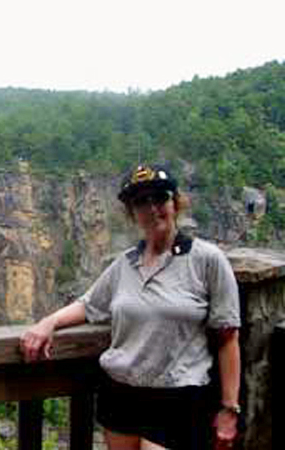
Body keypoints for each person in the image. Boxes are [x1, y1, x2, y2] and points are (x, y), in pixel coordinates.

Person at [20, 164, 241, 450]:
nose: (151, 208)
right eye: (140, 202)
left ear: (175, 203)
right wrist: (47, 322)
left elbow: (228, 337)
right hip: (121, 394)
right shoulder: (125, 263)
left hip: (177, 398)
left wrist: (229, 408)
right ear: (132, 213)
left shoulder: (206, 260)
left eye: (159, 198)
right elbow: (89, 305)